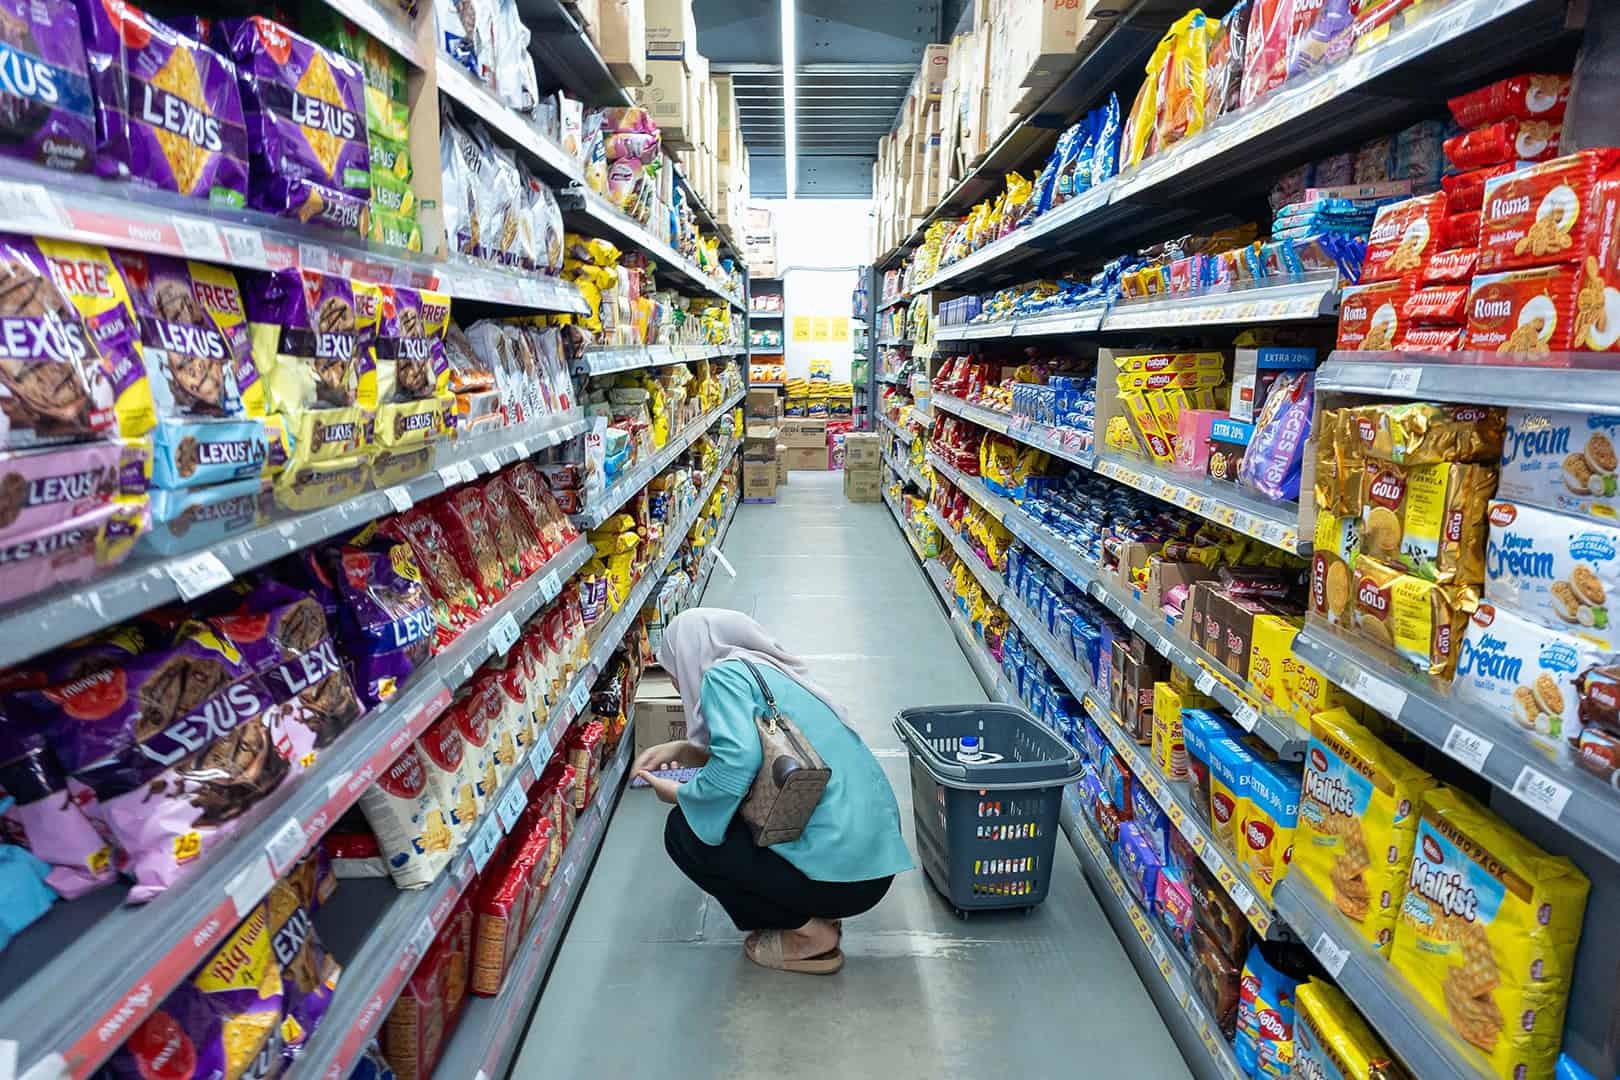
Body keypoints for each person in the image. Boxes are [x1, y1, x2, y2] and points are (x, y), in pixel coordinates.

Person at [634, 608, 913, 975]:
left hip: (846, 881)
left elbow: (738, 765)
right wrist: (687, 751)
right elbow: (770, 748)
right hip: (871, 866)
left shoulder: (721, 678)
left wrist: (680, 793)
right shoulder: (767, 670)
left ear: (688, 653)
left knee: (684, 832)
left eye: (670, 664)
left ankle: (808, 934)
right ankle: (819, 909)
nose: (673, 678)